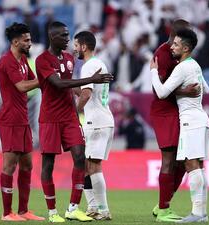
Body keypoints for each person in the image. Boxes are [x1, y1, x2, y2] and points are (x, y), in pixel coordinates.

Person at [35, 21, 113, 223]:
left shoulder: (69, 58)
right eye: (64, 35)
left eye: (68, 35)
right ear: (53, 37)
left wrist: (81, 90)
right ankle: (52, 212)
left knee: (80, 157)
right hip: (50, 118)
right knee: (48, 163)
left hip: (69, 117)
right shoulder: (42, 59)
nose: (68, 39)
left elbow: (69, 87)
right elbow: (59, 84)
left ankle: (73, 208)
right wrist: (89, 81)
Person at [150, 28, 209, 223]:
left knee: (191, 165)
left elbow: (161, 93)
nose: (171, 47)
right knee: (199, 166)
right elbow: (205, 89)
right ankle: (202, 213)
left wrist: (152, 71)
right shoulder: (195, 65)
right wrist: (185, 89)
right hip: (201, 117)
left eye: (175, 44)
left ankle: (197, 214)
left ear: (186, 48)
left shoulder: (182, 67)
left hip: (189, 120)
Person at [0, 22, 44, 222]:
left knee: (27, 164)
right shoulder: (7, 61)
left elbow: (37, 81)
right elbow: (23, 86)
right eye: (26, 40)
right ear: (15, 41)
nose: (30, 43)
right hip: (10, 119)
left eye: (30, 39)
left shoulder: (24, 60)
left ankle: (23, 210)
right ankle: (7, 213)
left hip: (23, 119)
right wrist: (47, 78)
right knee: (9, 165)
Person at [74, 31, 114, 220]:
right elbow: (86, 91)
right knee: (88, 165)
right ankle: (93, 208)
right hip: (103, 119)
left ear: (84, 46)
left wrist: (74, 112)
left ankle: (103, 210)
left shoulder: (89, 66)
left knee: (93, 166)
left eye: (76, 45)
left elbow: (86, 94)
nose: (74, 49)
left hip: (96, 122)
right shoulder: (100, 64)